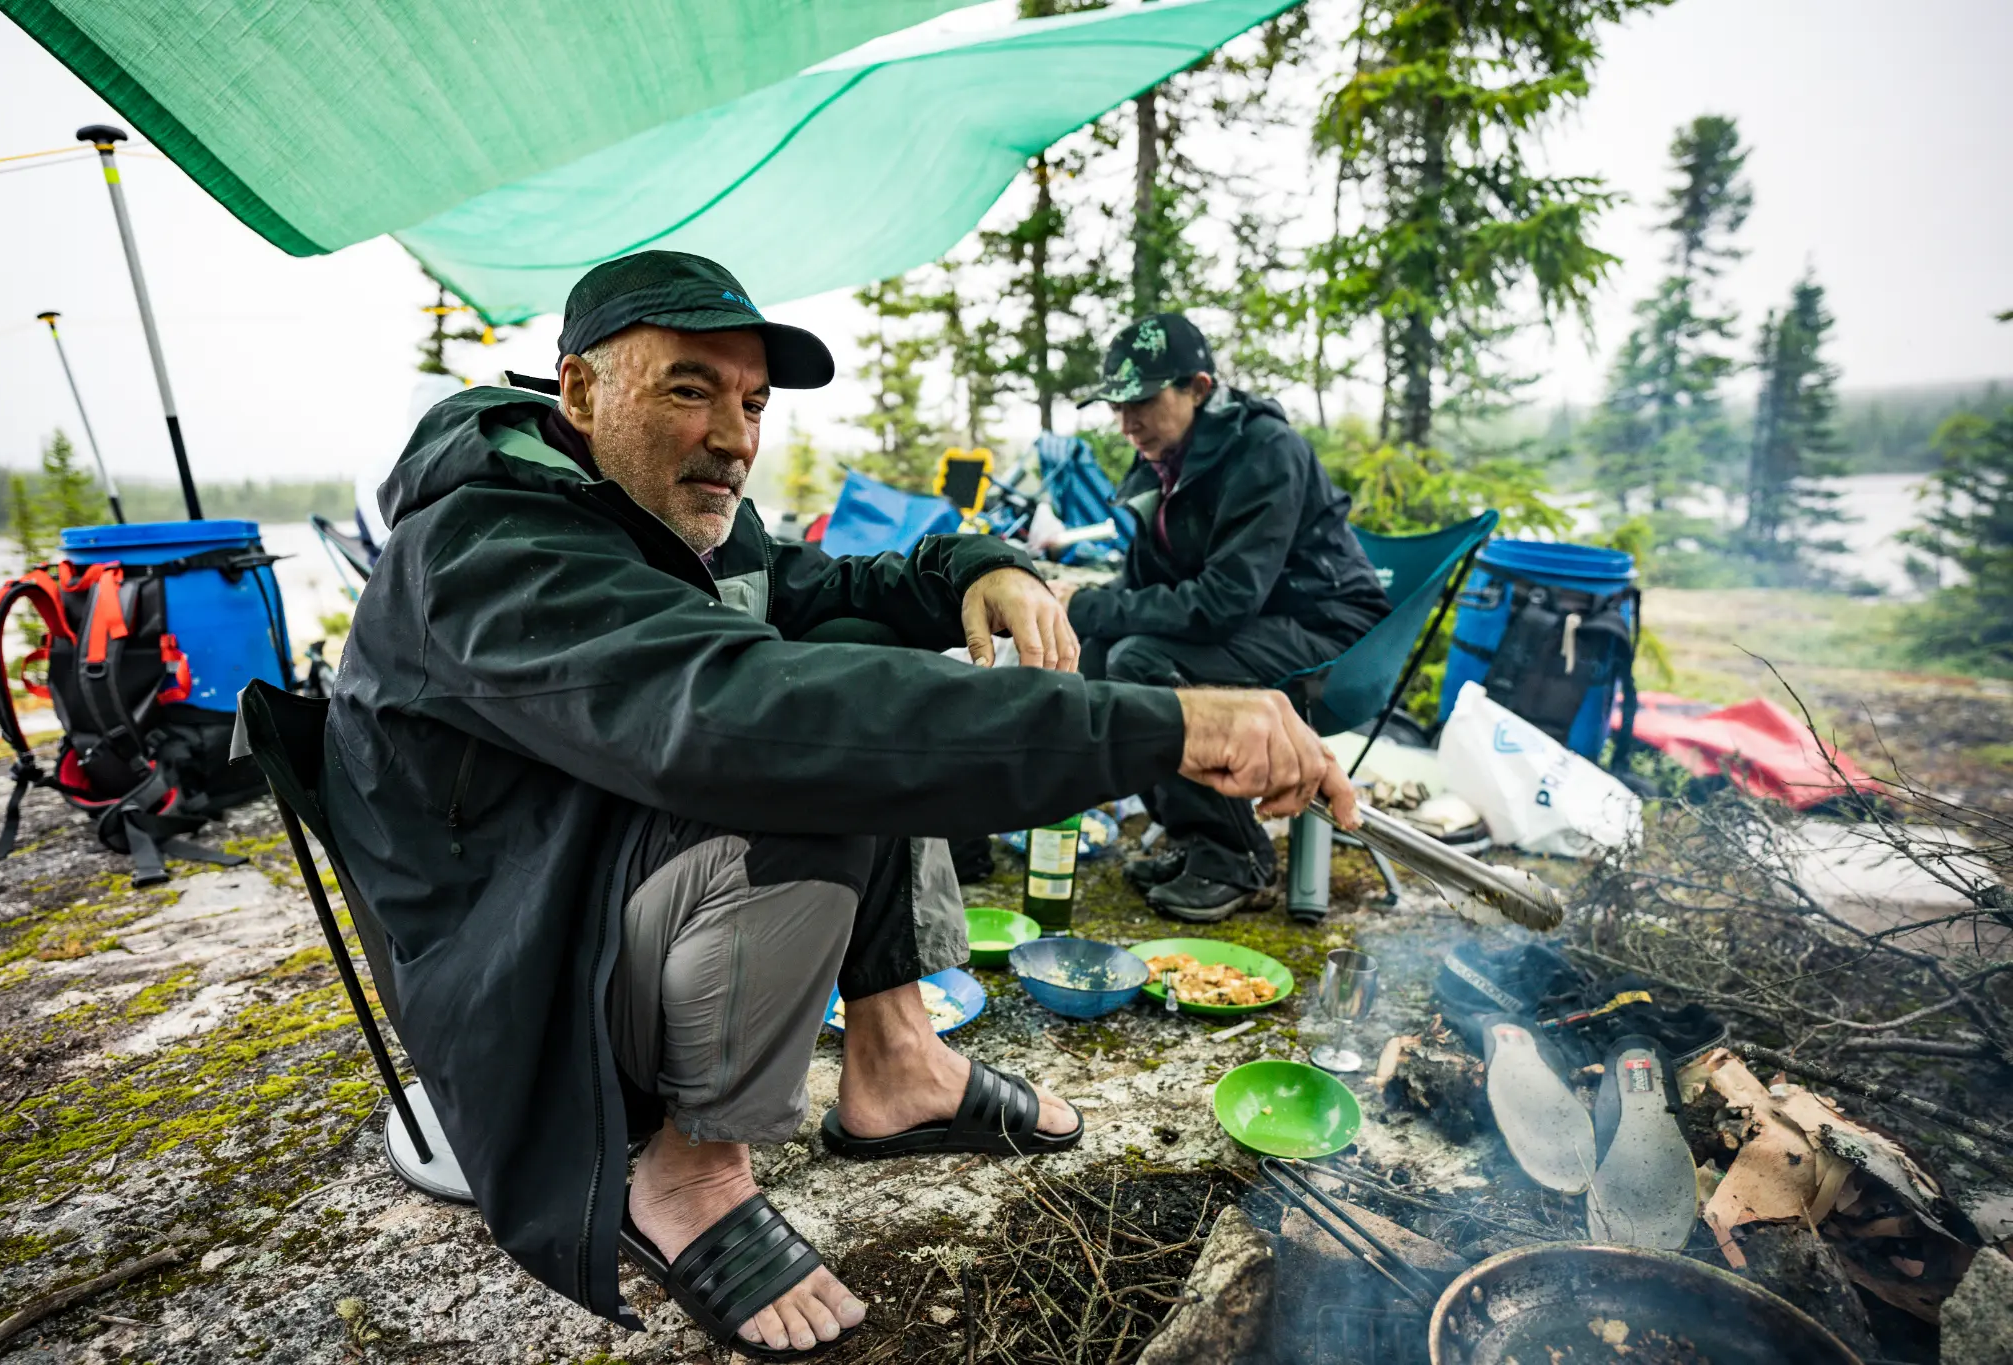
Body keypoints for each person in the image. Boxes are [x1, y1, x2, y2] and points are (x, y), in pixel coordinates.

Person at [325, 252, 1360, 1360]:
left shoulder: (658, 514)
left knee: (855, 658)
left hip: (590, 881)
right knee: (805, 754)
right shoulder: (494, 546)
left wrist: (983, 562)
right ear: (577, 392)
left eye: (752, 403)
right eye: (689, 388)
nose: (734, 437)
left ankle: (897, 1065)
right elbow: (739, 717)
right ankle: (684, 1171)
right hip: (515, 960)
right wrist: (1165, 724)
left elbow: (839, 593)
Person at [1056, 314, 1390, 923]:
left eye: (1144, 401)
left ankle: (1236, 855)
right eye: (1117, 406)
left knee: (1141, 661)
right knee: (1104, 652)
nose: (1127, 422)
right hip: (1255, 626)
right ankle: (1193, 835)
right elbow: (1142, 586)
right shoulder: (1159, 465)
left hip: (1331, 631)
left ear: (1199, 388)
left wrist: (1088, 603)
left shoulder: (1266, 451)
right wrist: (1082, 606)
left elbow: (1223, 602)